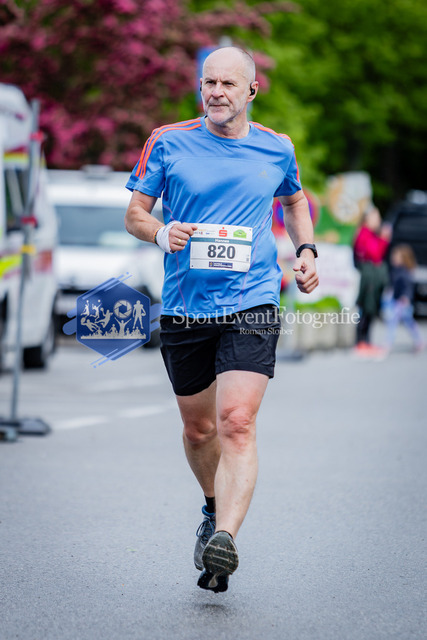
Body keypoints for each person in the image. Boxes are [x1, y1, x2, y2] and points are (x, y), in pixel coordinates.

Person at [125, 46, 319, 593]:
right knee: (200, 428)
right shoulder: (168, 141)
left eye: (228, 84)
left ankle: (226, 539)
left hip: (253, 299)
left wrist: (306, 251)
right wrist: (162, 233)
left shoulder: (277, 147)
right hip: (186, 306)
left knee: (236, 420)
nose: (215, 92)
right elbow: (135, 214)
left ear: (251, 90)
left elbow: (294, 201)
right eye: (208, 82)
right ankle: (212, 510)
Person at [353, 206, 391, 356]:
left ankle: (366, 342)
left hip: (371, 278)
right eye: (376, 217)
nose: (379, 221)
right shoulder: (364, 234)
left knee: (370, 309)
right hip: (368, 279)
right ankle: (361, 342)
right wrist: (384, 239)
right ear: (367, 219)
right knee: (366, 309)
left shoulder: (369, 234)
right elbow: (375, 256)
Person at [385, 244, 424, 352]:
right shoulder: (395, 270)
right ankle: (419, 341)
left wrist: (406, 297)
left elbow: (407, 287)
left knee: (399, 322)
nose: (393, 258)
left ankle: (388, 343)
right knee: (402, 322)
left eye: (396, 257)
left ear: (404, 259)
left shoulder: (405, 272)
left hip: (403, 302)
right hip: (396, 300)